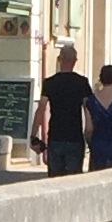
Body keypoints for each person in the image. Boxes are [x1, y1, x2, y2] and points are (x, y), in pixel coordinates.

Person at [31, 41, 91, 176]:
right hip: (75, 137)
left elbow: (41, 109)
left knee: (54, 179)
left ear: (59, 59)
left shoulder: (49, 83)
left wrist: (33, 136)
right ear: (75, 61)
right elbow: (88, 109)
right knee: (73, 180)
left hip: (55, 137)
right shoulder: (82, 83)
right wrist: (89, 132)